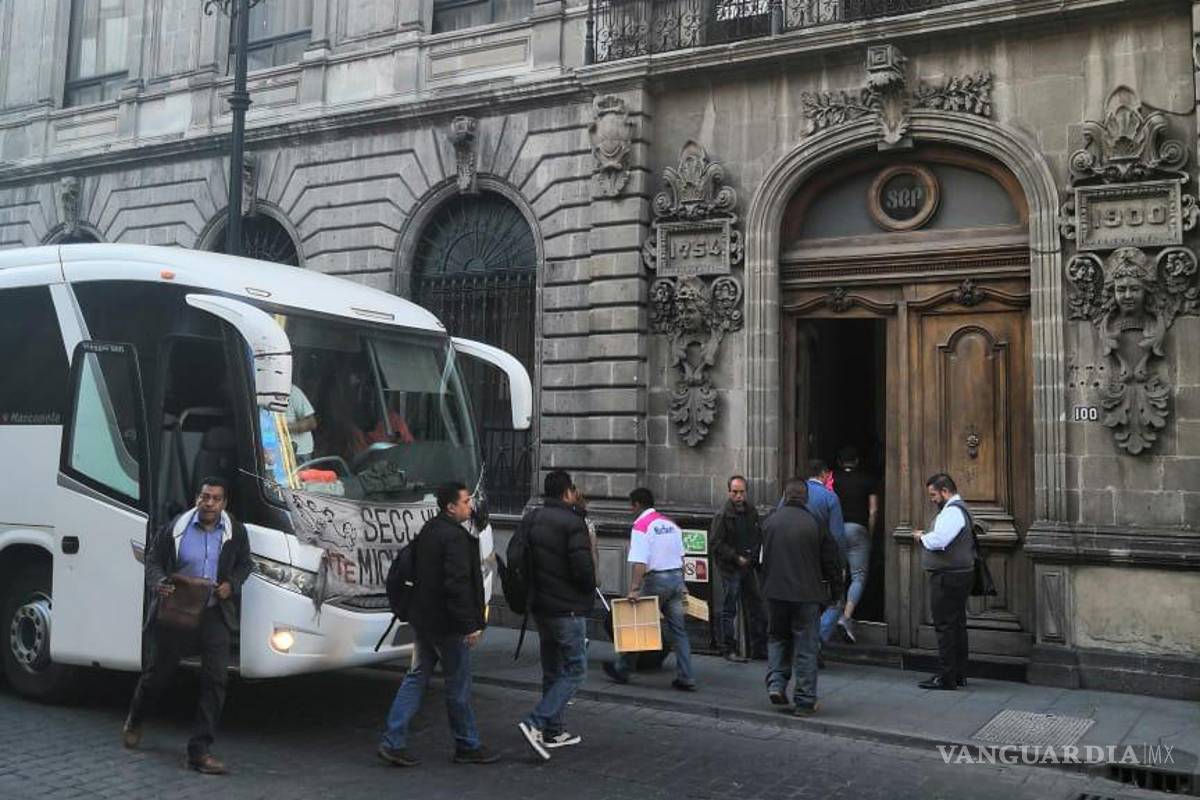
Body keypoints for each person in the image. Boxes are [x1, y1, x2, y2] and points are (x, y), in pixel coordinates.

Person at [121, 477, 252, 775]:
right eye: (205, 497)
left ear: (224, 503)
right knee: (157, 675)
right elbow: (153, 560)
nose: (209, 503)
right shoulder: (176, 528)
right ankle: (136, 718)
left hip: (214, 613)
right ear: (197, 499)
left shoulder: (235, 530)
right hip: (177, 612)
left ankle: (199, 751)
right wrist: (159, 583)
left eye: (215, 499)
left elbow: (246, 564)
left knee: (215, 680)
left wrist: (232, 584)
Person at [378, 482, 499, 766]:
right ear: (451, 507)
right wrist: (470, 625)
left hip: (426, 619)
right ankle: (467, 744)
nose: (470, 506)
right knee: (458, 684)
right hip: (448, 624)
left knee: (416, 677)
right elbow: (457, 586)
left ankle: (393, 740)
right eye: (466, 501)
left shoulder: (430, 530)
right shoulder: (454, 538)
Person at [516, 470, 597, 761]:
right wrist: (588, 590)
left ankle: (554, 730)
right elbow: (584, 570)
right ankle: (536, 722)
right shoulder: (572, 522)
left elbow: (517, 558)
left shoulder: (532, 518)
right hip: (567, 609)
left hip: (541, 607)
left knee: (552, 669)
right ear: (567, 493)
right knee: (576, 670)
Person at [761, 478, 843, 717]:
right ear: (805, 497)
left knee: (777, 637)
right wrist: (836, 592)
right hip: (806, 594)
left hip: (774, 593)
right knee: (806, 646)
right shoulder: (815, 523)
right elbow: (831, 561)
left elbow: (759, 559)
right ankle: (805, 699)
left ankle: (776, 683)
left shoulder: (769, 522)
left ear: (785, 496)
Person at [603, 488, 696, 691]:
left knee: (638, 625)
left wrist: (635, 588)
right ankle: (686, 676)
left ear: (636, 504)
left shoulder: (641, 526)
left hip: (656, 581)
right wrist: (683, 584)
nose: (631, 509)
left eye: (631, 505)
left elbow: (639, 561)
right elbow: (682, 556)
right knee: (679, 632)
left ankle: (623, 668)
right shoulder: (671, 524)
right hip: (675, 579)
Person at [913, 473, 975, 691]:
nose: (931, 499)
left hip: (948, 578)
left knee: (945, 627)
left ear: (945, 491)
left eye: (933, 494)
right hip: (958, 575)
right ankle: (958, 674)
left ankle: (947, 676)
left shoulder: (952, 512)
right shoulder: (959, 510)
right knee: (956, 625)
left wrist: (922, 536)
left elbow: (940, 540)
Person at [709, 475, 766, 662]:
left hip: (748, 565)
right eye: (735, 492)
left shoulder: (751, 511)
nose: (739, 496)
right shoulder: (723, 515)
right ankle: (729, 647)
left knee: (756, 604)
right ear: (729, 492)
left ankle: (758, 647)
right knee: (729, 607)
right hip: (730, 568)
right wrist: (735, 557)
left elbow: (757, 535)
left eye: (741, 492)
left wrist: (752, 555)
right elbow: (716, 543)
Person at [830, 446, 879, 644]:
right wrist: (870, 533)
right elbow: (873, 511)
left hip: (838, 529)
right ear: (857, 461)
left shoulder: (833, 478)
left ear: (840, 462)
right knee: (858, 576)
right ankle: (846, 617)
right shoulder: (868, 479)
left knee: (839, 574)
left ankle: (834, 613)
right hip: (858, 529)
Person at [805, 459, 847, 648]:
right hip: (822, 559)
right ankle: (816, 640)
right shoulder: (830, 497)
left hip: (797, 558)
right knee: (836, 601)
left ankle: (805, 640)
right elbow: (837, 535)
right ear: (824, 475)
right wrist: (841, 565)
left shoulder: (794, 494)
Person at [286, 383, 318, 463]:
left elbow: (311, 422)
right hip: (273, 452)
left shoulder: (293, 392)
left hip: (299, 453)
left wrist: (284, 428)